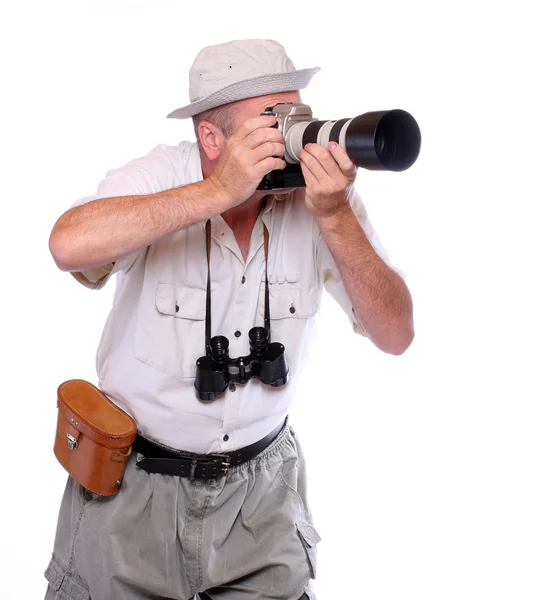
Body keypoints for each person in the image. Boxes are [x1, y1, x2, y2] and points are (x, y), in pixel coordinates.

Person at [45, 38, 414, 600]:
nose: (290, 138)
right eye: (272, 124)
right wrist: (217, 192)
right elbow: (68, 245)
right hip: (134, 491)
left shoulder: (321, 200)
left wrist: (335, 216)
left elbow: (396, 335)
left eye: (298, 120)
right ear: (210, 137)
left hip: (263, 496)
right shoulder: (161, 175)